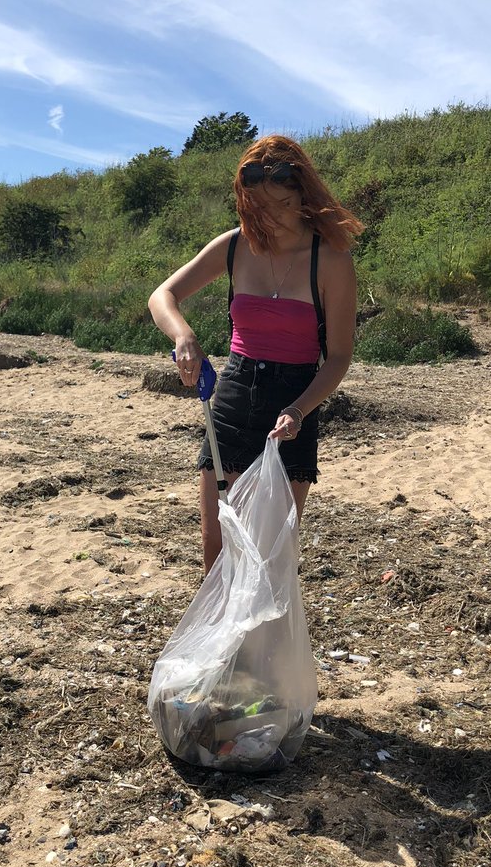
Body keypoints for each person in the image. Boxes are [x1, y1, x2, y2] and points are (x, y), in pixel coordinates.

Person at [148, 134, 362, 572]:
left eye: (281, 205)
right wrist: (183, 336)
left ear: (303, 194)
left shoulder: (332, 260)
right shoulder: (235, 245)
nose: (271, 218)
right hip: (231, 399)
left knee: (269, 558)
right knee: (218, 551)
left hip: (293, 407)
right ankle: (225, 644)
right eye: (259, 208)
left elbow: (339, 357)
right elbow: (162, 296)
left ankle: (263, 644)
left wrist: (300, 410)